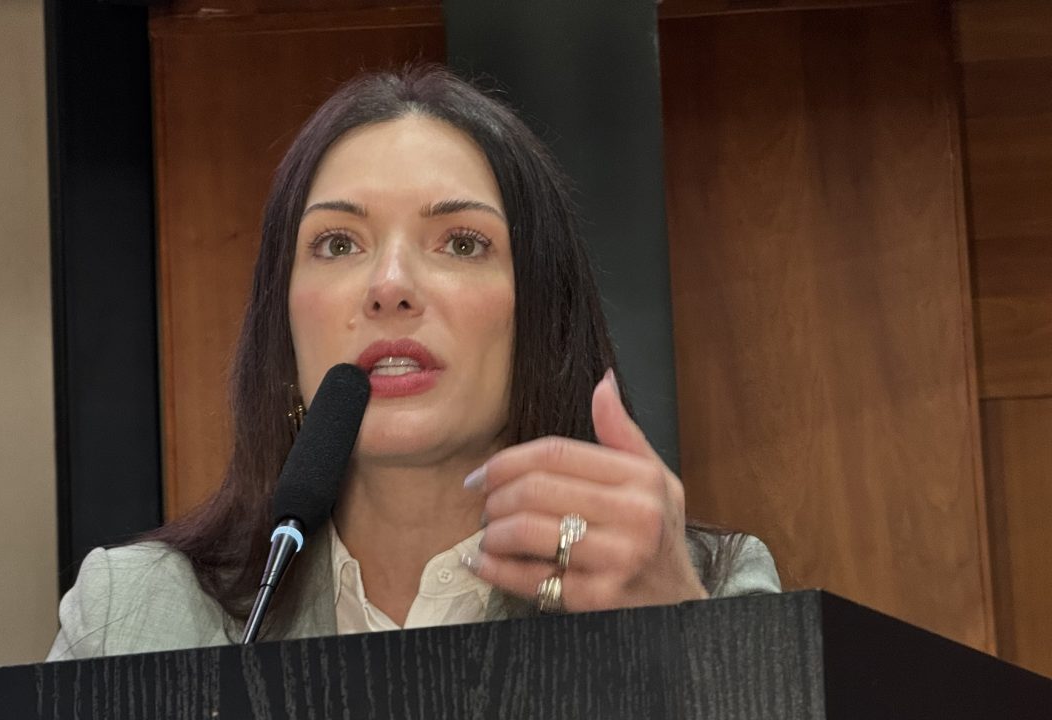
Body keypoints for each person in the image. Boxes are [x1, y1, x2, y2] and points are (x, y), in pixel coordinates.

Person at [47, 66, 779, 661]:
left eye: (461, 243)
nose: (390, 286)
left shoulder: (706, 587)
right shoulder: (133, 616)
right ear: (284, 321)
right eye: (338, 244)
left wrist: (677, 643)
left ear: (542, 315)